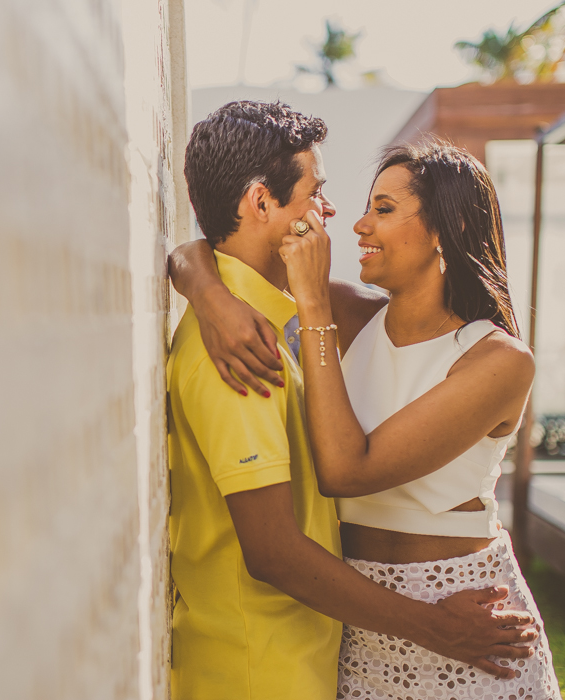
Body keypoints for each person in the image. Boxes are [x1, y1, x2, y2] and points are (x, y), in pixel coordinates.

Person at [169, 130, 561, 698]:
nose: (358, 225)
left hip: (465, 615)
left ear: (445, 231)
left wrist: (312, 309)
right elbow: (206, 249)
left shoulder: (498, 361)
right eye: (364, 208)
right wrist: (208, 294)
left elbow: (347, 471)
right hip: (357, 620)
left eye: (384, 209)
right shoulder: (349, 315)